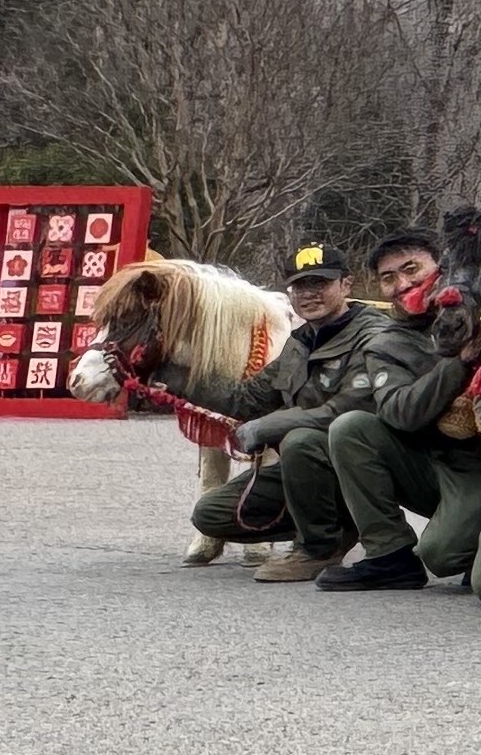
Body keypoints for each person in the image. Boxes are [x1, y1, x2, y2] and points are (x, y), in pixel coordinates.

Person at [173, 239, 435, 583]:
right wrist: (175, 376)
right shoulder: (301, 341)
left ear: (346, 284)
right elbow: (247, 399)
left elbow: (344, 410)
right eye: (299, 285)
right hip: (315, 467)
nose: (309, 294)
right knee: (212, 514)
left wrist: (265, 428)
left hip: (375, 466)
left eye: (320, 283)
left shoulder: (375, 336)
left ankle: (318, 546)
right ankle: (341, 524)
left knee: (300, 440)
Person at [314, 223, 481, 595]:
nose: (401, 285)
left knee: (443, 556)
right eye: (388, 278)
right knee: (351, 428)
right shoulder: (385, 343)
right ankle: (389, 555)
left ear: (442, 267)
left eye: (412, 269)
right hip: (438, 465)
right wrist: (457, 362)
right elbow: (400, 413)